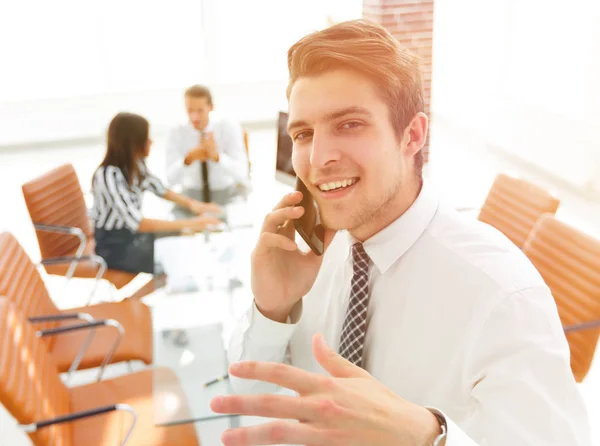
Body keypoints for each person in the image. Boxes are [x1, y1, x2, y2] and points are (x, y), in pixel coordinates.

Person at [209, 20, 591, 446]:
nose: (317, 158)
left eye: (349, 124)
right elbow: (250, 401)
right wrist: (271, 311)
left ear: (412, 135)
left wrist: (432, 437)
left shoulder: (503, 297)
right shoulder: (317, 252)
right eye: (303, 133)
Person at [91, 112, 222, 285]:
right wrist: (193, 223)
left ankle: (134, 303)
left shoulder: (135, 164)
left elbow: (159, 188)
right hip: (114, 247)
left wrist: (195, 205)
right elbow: (139, 223)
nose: (151, 141)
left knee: (183, 241)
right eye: (146, 137)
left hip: (133, 237)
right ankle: (129, 306)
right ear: (133, 142)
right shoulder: (108, 176)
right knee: (172, 260)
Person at [165, 85, 250, 206]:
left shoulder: (227, 127)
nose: (195, 117)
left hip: (226, 194)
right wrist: (187, 160)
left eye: (200, 110)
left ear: (211, 107)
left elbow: (242, 174)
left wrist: (217, 157)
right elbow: (170, 180)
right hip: (191, 198)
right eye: (190, 110)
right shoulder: (176, 131)